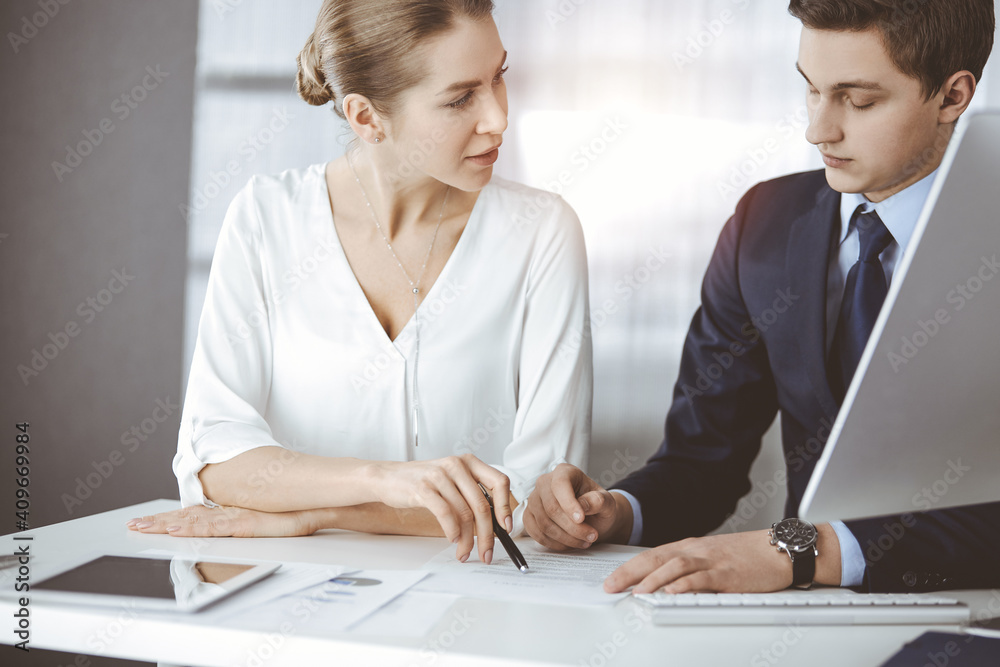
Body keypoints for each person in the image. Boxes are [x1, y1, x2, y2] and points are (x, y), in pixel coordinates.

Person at [525, 0, 1000, 594]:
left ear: (953, 97)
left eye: (859, 100)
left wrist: (805, 554)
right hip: (811, 625)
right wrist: (615, 511)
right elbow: (703, 462)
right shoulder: (766, 222)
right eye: (811, 90)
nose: (818, 129)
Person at [128, 0, 592, 568]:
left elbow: (538, 503)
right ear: (367, 118)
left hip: (470, 612)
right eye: (459, 98)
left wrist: (315, 512)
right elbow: (216, 465)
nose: (497, 117)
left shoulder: (541, 232)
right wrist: (384, 481)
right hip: (277, 607)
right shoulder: (265, 219)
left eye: (499, 76)